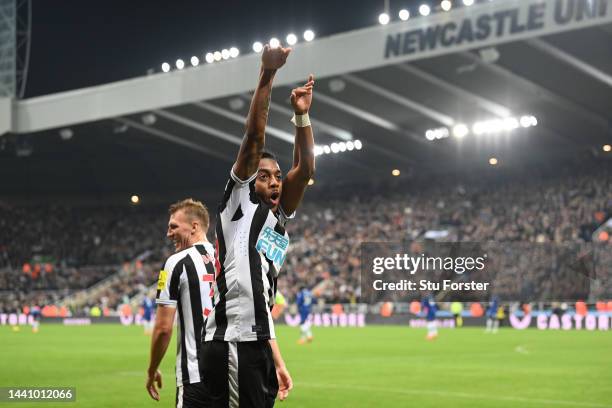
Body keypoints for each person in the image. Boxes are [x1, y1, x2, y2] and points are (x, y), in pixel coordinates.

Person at [201, 44, 315, 408]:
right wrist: (268, 74)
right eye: (265, 177)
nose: (275, 182)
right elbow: (254, 138)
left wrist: (301, 119)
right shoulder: (238, 203)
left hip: (257, 342)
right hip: (232, 339)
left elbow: (306, 169)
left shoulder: (277, 220)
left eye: (278, 177)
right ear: (250, 182)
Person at [146, 199, 216, 407]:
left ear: (194, 226)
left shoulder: (175, 262)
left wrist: (152, 370)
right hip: (230, 374)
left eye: (173, 226)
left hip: (195, 376)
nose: (168, 233)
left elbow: (163, 329)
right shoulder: (226, 258)